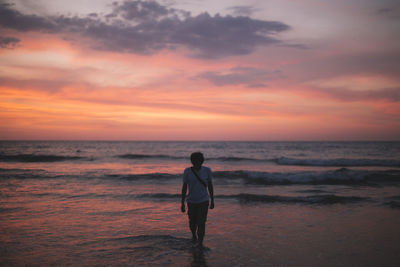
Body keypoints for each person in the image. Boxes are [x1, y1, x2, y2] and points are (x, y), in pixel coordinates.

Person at [181, 152, 214, 248]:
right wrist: (182, 203)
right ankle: (194, 235)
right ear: (192, 161)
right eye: (195, 161)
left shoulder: (207, 170)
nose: (197, 163)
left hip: (203, 200)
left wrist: (212, 200)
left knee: (201, 222)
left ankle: (200, 243)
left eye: (199, 161)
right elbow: (184, 187)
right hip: (191, 201)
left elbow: (210, 186)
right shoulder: (187, 171)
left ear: (202, 161)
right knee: (192, 222)